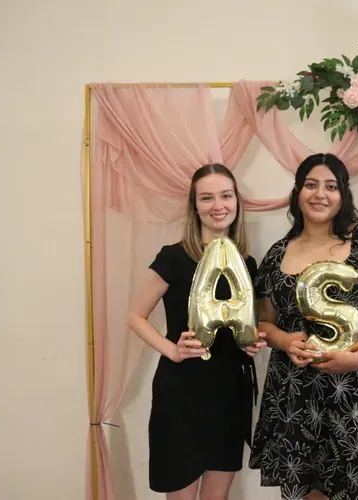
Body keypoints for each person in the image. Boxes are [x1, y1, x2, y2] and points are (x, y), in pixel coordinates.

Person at [248, 153, 358, 500]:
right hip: (296, 394)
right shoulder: (278, 254)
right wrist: (285, 341)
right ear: (297, 192)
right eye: (310, 185)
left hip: (357, 390)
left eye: (331, 186)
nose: (320, 195)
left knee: (355, 487)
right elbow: (265, 322)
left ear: (343, 194)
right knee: (308, 491)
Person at [128, 163, 267, 500]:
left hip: (230, 392)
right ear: (195, 206)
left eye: (226, 196)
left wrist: (251, 343)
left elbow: (247, 324)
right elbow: (135, 316)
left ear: (237, 202)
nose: (218, 205)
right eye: (207, 198)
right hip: (181, 393)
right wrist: (171, 349)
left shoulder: (246, 263)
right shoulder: (173, 258)